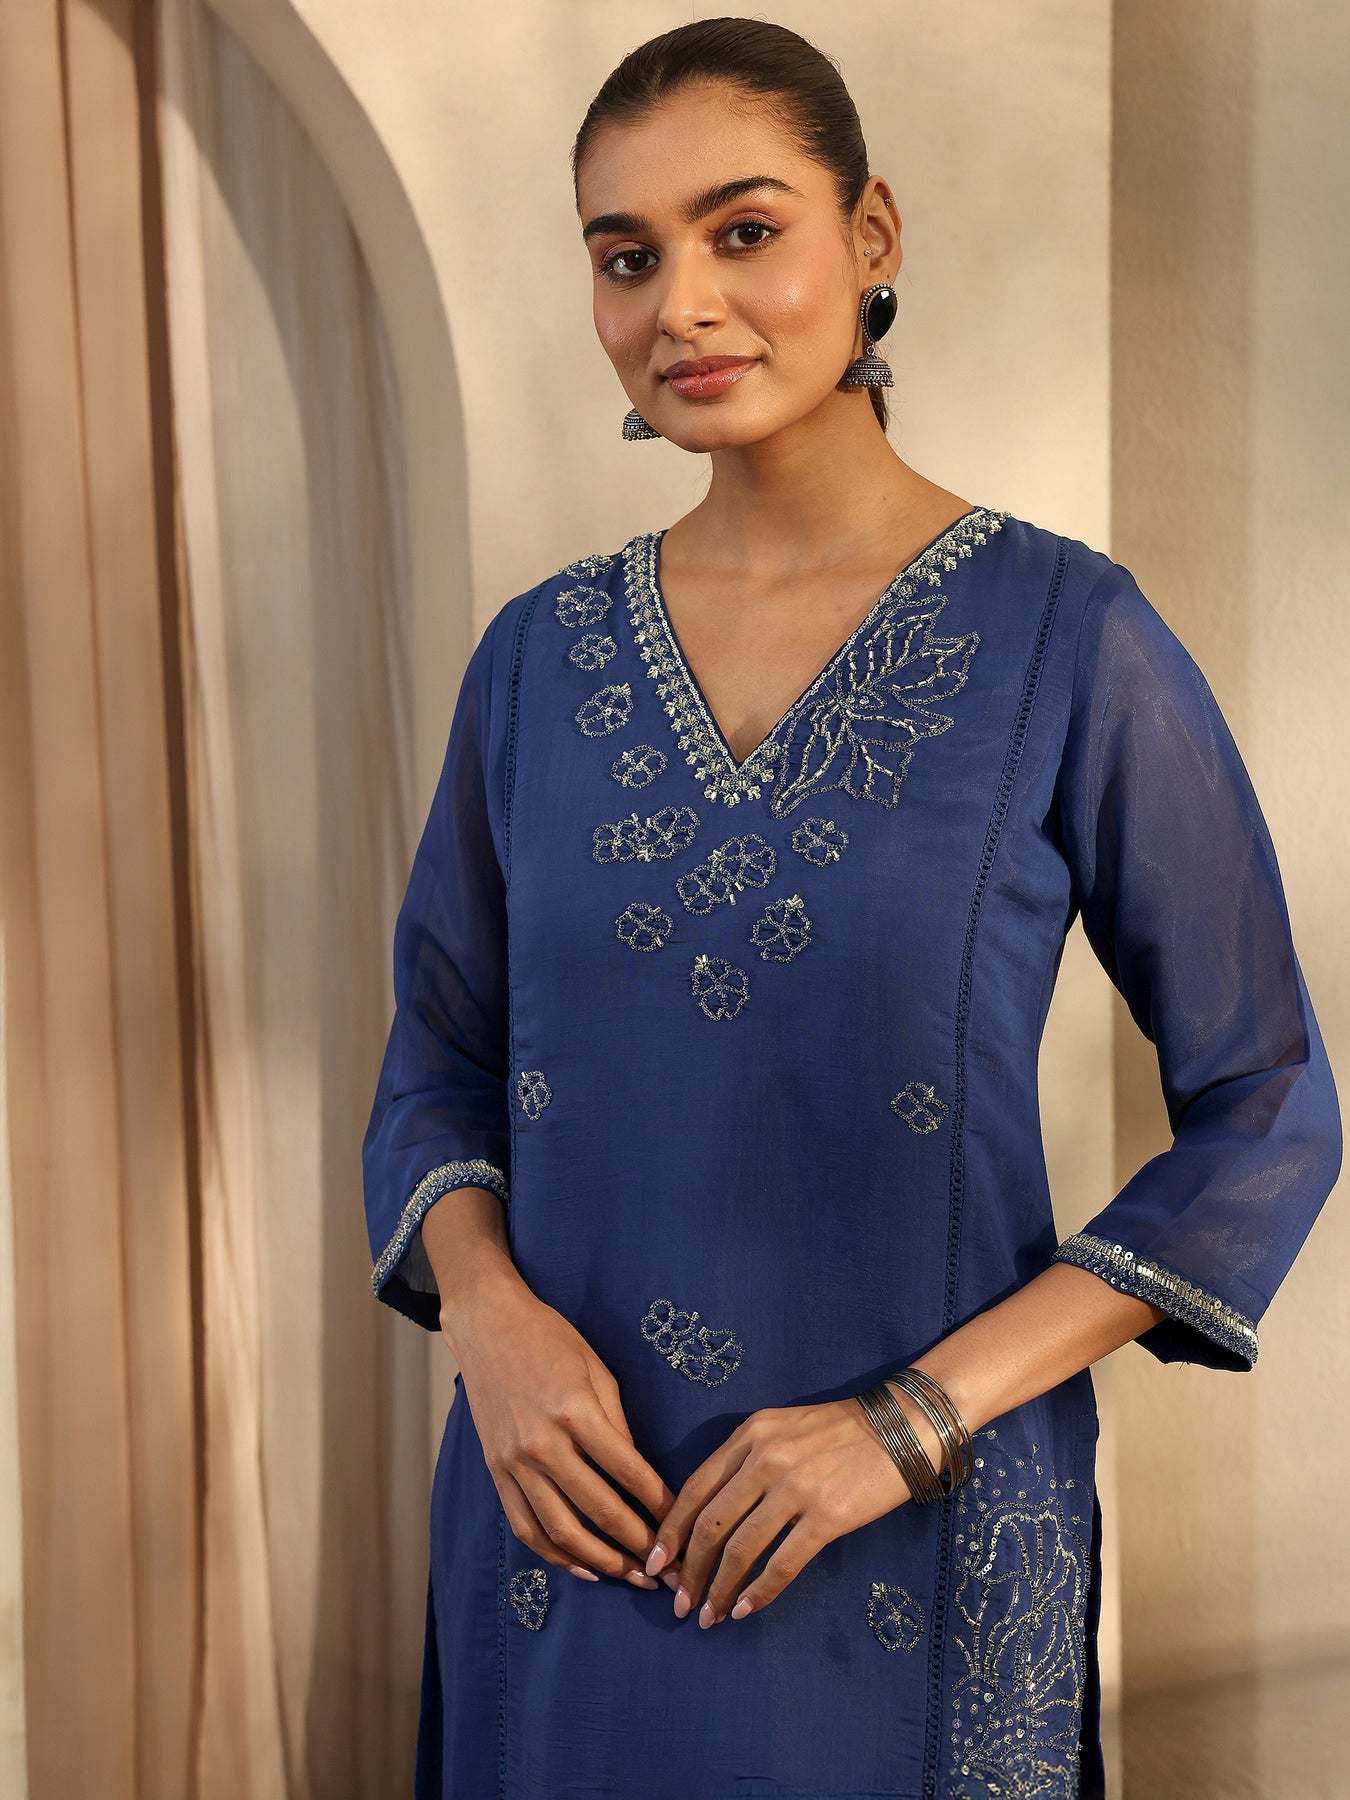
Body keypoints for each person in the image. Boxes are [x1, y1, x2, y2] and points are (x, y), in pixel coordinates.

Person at [361, 18, 1342, 1799]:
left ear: (870, 234)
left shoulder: (1068, 641)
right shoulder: (532, 664)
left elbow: (1265, 1104)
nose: (682, 304)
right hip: (567, 1528)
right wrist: (488, 1324)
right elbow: (437, 1063)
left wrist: (906, 1423)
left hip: (916, 1532)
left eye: (743, 231)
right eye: (625, 257)